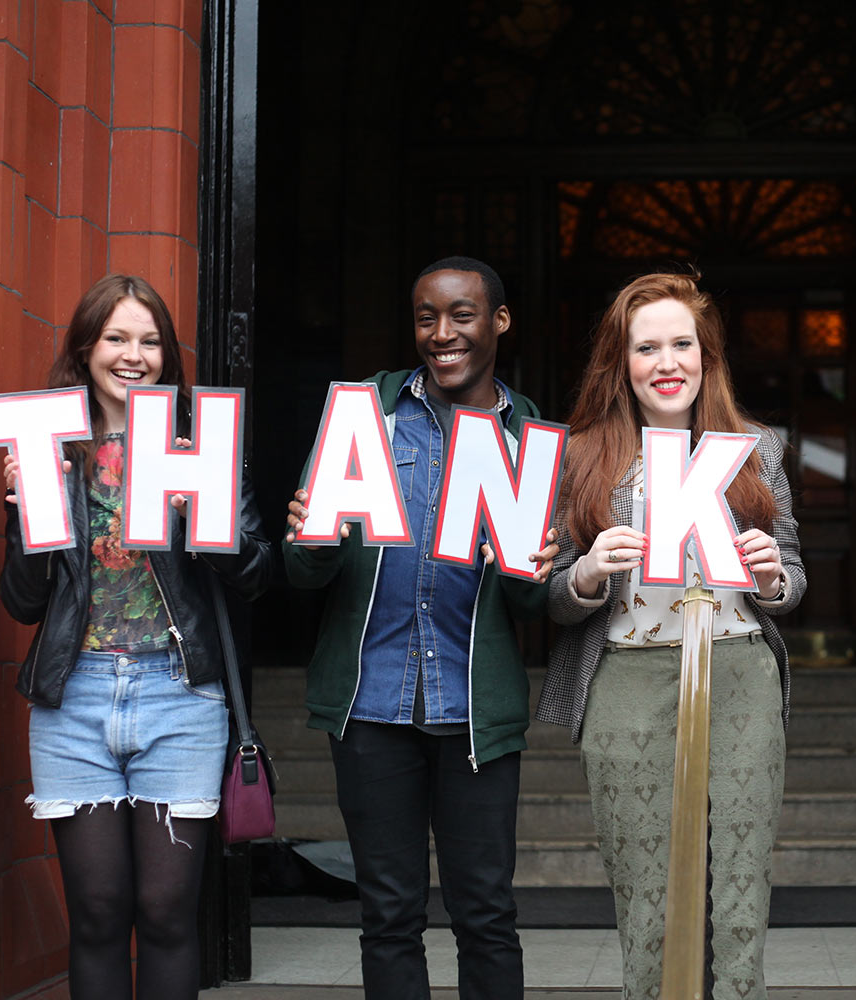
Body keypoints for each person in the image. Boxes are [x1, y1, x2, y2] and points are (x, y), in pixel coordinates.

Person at [283, 256, 557, 1000]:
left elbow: (534, 608)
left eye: (462, 315)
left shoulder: (530, 438)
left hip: (475, 715)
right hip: (371, 708)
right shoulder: (361, 418)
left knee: (487, 915)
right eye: (426, 317)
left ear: (499, 321)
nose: (442, 334)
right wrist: (306, 538)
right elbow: (303, 574)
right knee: (390, 917)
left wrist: (537, 567)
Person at [0, 274, 272, 999]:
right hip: (74, 700)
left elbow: (256, 570)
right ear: (86, 347)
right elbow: (22, 603)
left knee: (165, 912)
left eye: (150, 341)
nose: (133, 355)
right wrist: (29, 509)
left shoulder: (199, 444)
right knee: (94, 914)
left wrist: (196, 509)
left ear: (167, 355)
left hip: (180, 698)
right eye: (117, 338)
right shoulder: (48, 448)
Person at [537, 272, 806, 1000]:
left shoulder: (755, 447)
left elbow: (792, 582)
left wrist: (772, 576)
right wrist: (587, 572)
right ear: (620, 362)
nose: (666, 362)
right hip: (628, 673)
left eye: (681, 343)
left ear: (706, 354)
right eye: (646, 346)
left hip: (739, 667)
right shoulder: (581, 454)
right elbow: (552, 597)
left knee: (742, 886)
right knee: (645, 889)